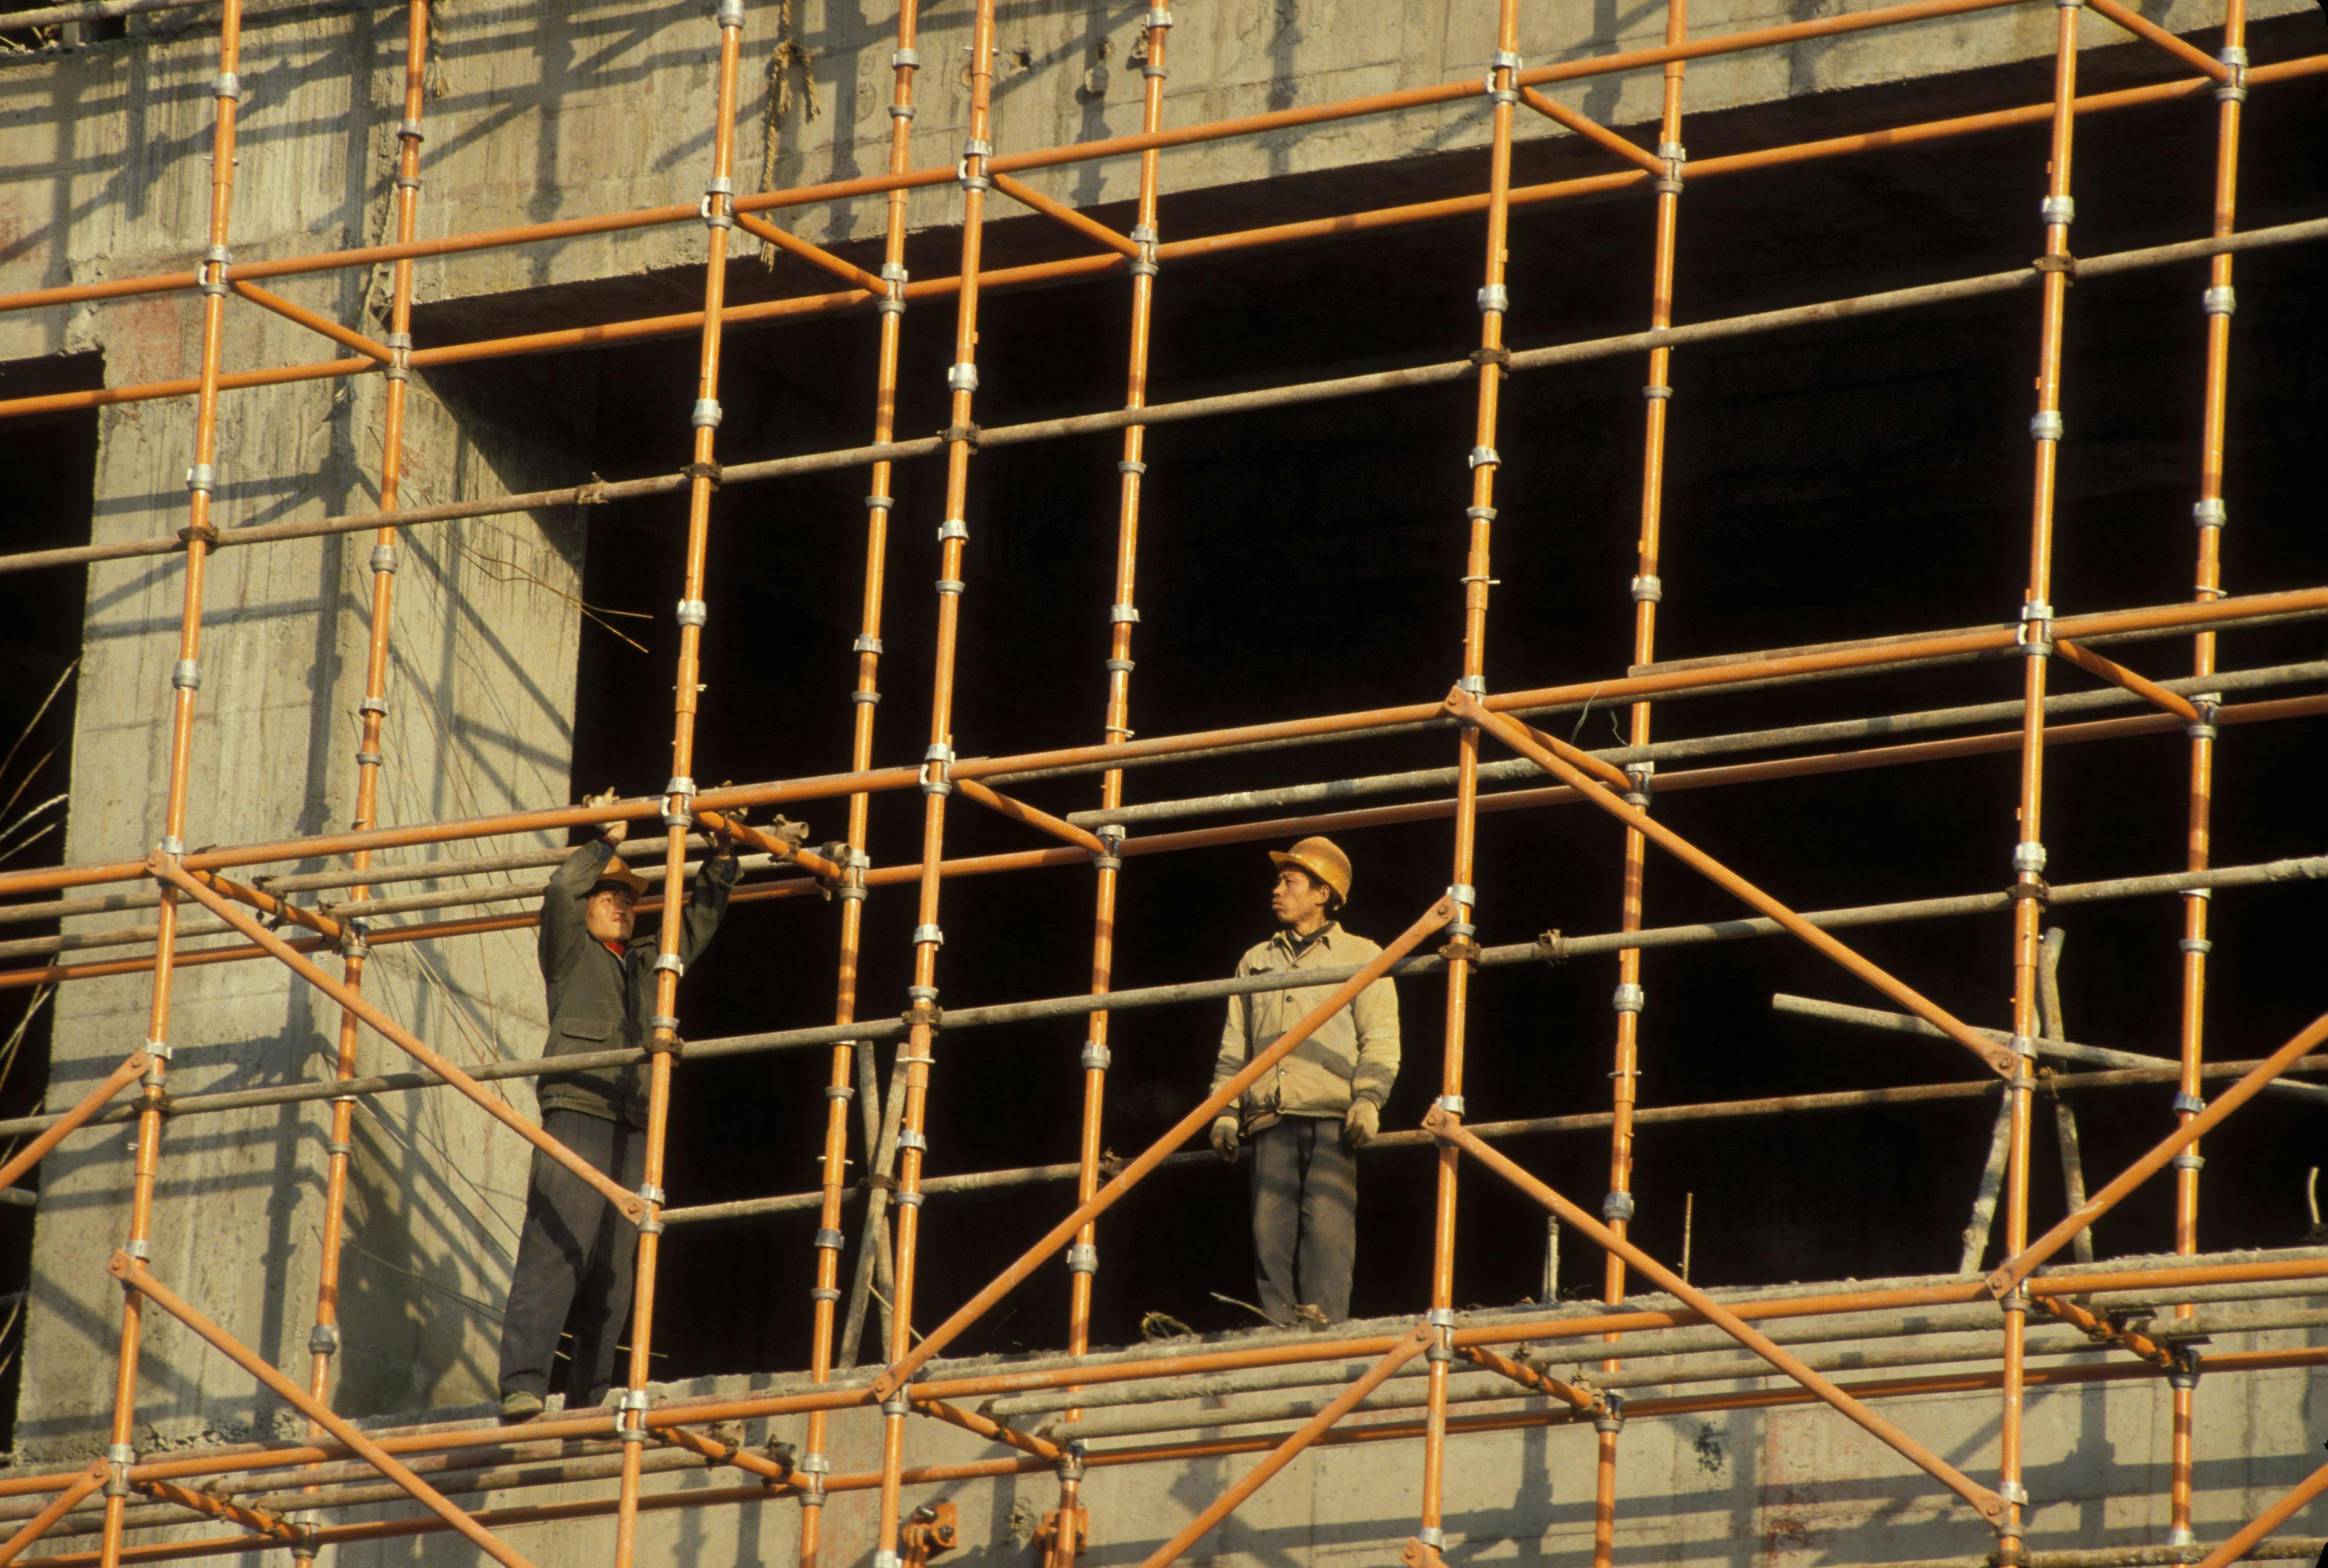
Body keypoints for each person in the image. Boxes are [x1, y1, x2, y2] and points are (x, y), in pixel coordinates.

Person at [494, 796, 743, 1421]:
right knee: (559, 1243)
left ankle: (590, 1391)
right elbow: (559, 890)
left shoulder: (642, 964)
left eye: (629, 897)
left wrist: (722, 860)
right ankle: (523, 1380)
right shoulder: (569, 952)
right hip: (579, 1103)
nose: (622, 903)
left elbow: (694, 927)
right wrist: (602, 843)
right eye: (610, 894)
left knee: (616, 1267)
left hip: (633, 1117)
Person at [1208, 836, 1400, 1326]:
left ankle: (1324, 1326)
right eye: (1279, 880)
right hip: (1269, 1116)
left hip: (1332, 1115)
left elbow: (1379, 1038)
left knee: (1328, 1229)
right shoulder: (1255, 960)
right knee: (1268, 1231)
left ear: (1322, 893)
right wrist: (1225, 1110)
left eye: (1289, 881)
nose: (1277, 890)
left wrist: (1368, 1100)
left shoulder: (1363, 955)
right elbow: (1236, 1046)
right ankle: (1278, 1330)